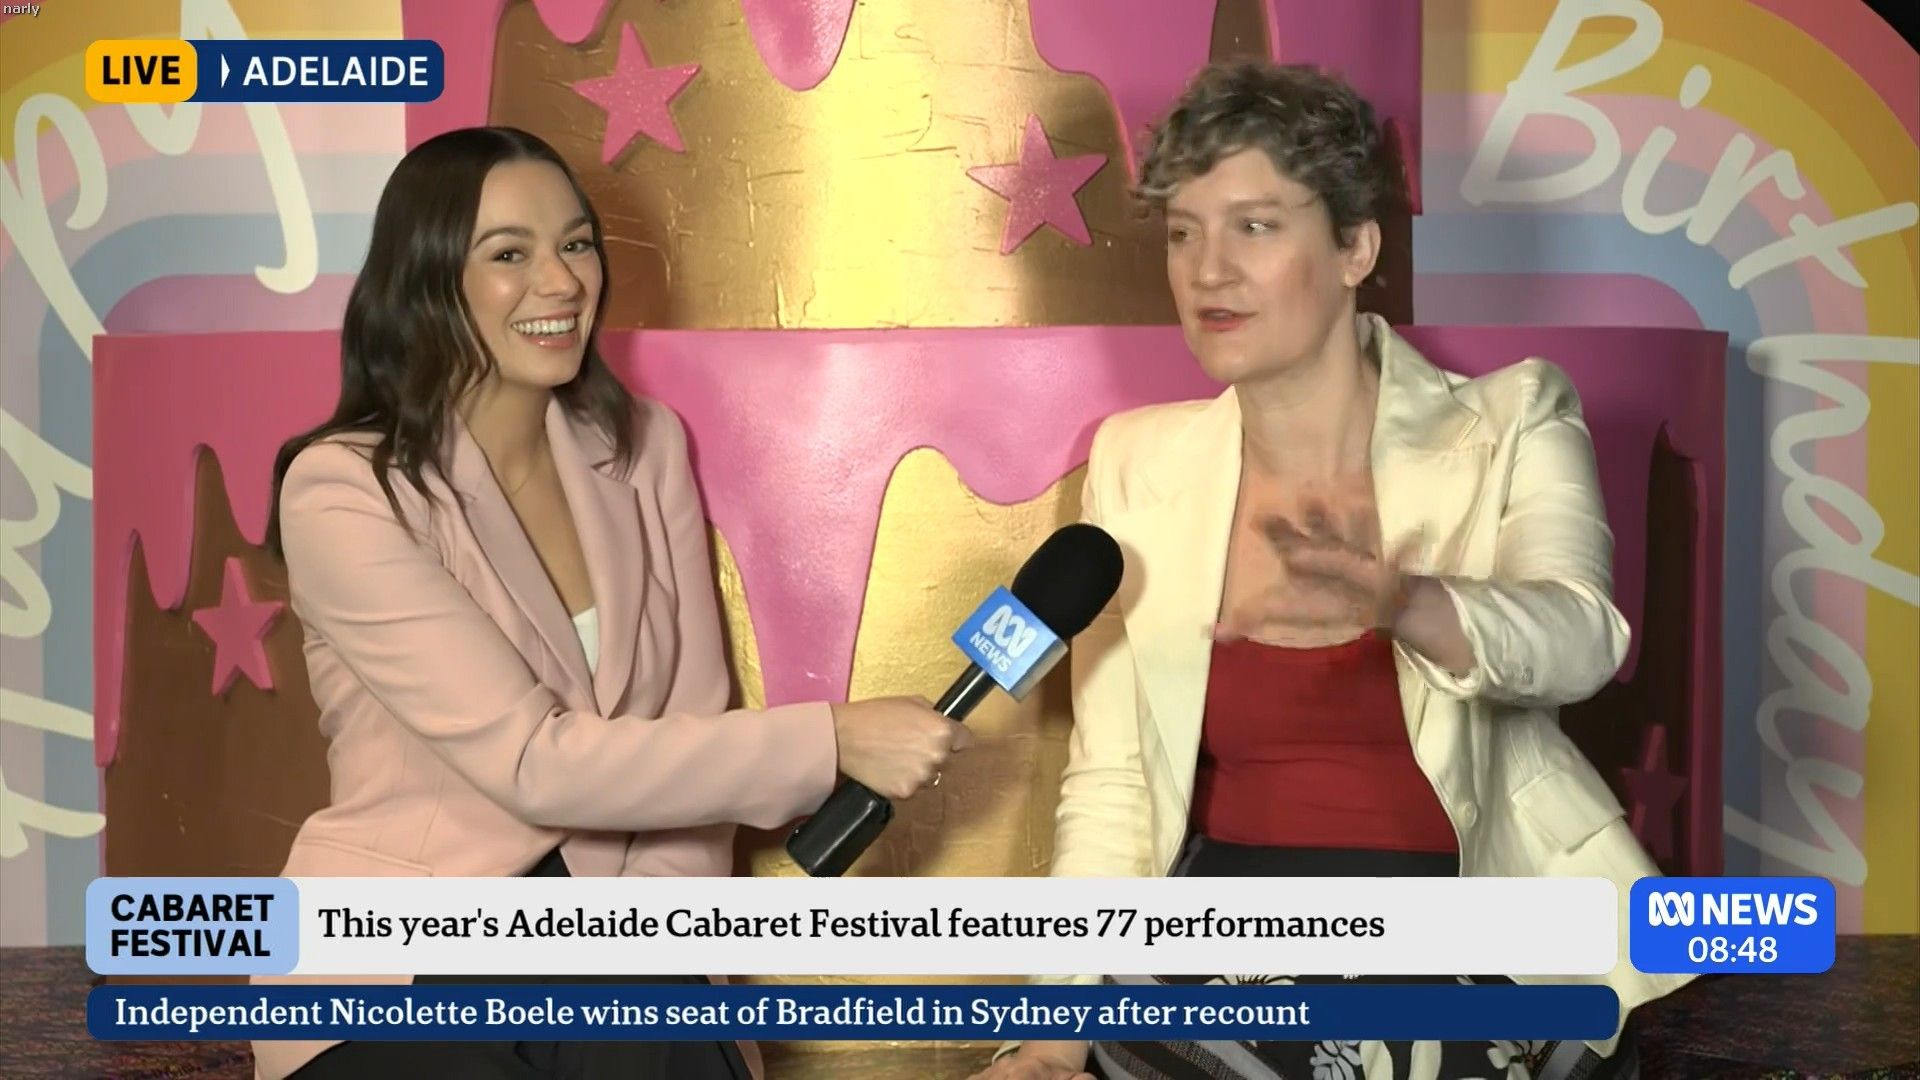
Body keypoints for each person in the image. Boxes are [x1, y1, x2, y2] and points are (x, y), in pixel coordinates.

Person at [971, 62, 1691, 1080]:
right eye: (1183, 233)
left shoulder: (1513, 418)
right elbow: (1114, 783)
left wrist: (1405, 604)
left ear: (1356, 246)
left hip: (1472, 919)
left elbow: (1582, 639)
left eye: (1255, 227)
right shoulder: (1137, 462)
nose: (1209, 271)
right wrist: (1053, 1033)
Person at [253, 126, 969, 1080]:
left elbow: (692, 741)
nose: (560, 281)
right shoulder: (343, 490)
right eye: (509, 254)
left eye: (576, 244)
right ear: (427, 282)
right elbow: (530, 761)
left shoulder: (646, 448)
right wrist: (831, 740)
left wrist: (646, 951)